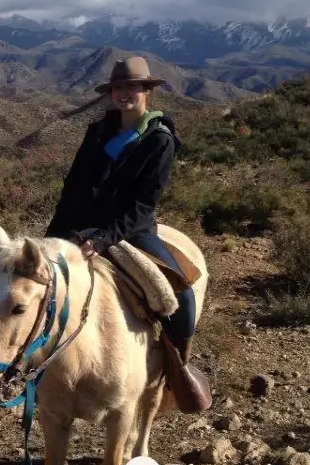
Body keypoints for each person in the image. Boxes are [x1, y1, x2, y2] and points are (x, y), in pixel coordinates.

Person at [44, 56, 197, 367]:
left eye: (132, 87)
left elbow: (143, 205)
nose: (124, 93)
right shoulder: (98, 131)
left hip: (129, 230)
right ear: (111, 92)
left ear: (147, 91)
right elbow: (73, 186)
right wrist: (53, 235)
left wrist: (103, 239)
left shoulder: (159, 140)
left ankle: (177, 365)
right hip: (78, 224)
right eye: (118, 87)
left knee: (181, 297)